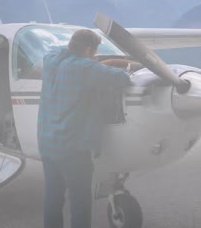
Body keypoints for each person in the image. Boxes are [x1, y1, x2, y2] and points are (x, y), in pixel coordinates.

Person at [37, 29, 131, 228]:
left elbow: (60, 53)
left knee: (53, 199)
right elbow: (122, 79)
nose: (95, 56)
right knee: (80, 202)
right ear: (88, 49)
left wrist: (95, 62)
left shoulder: (50, 60)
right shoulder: (84, 68)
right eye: (94, 52)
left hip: (47, 145)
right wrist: (125, 65)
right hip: (72, 149)